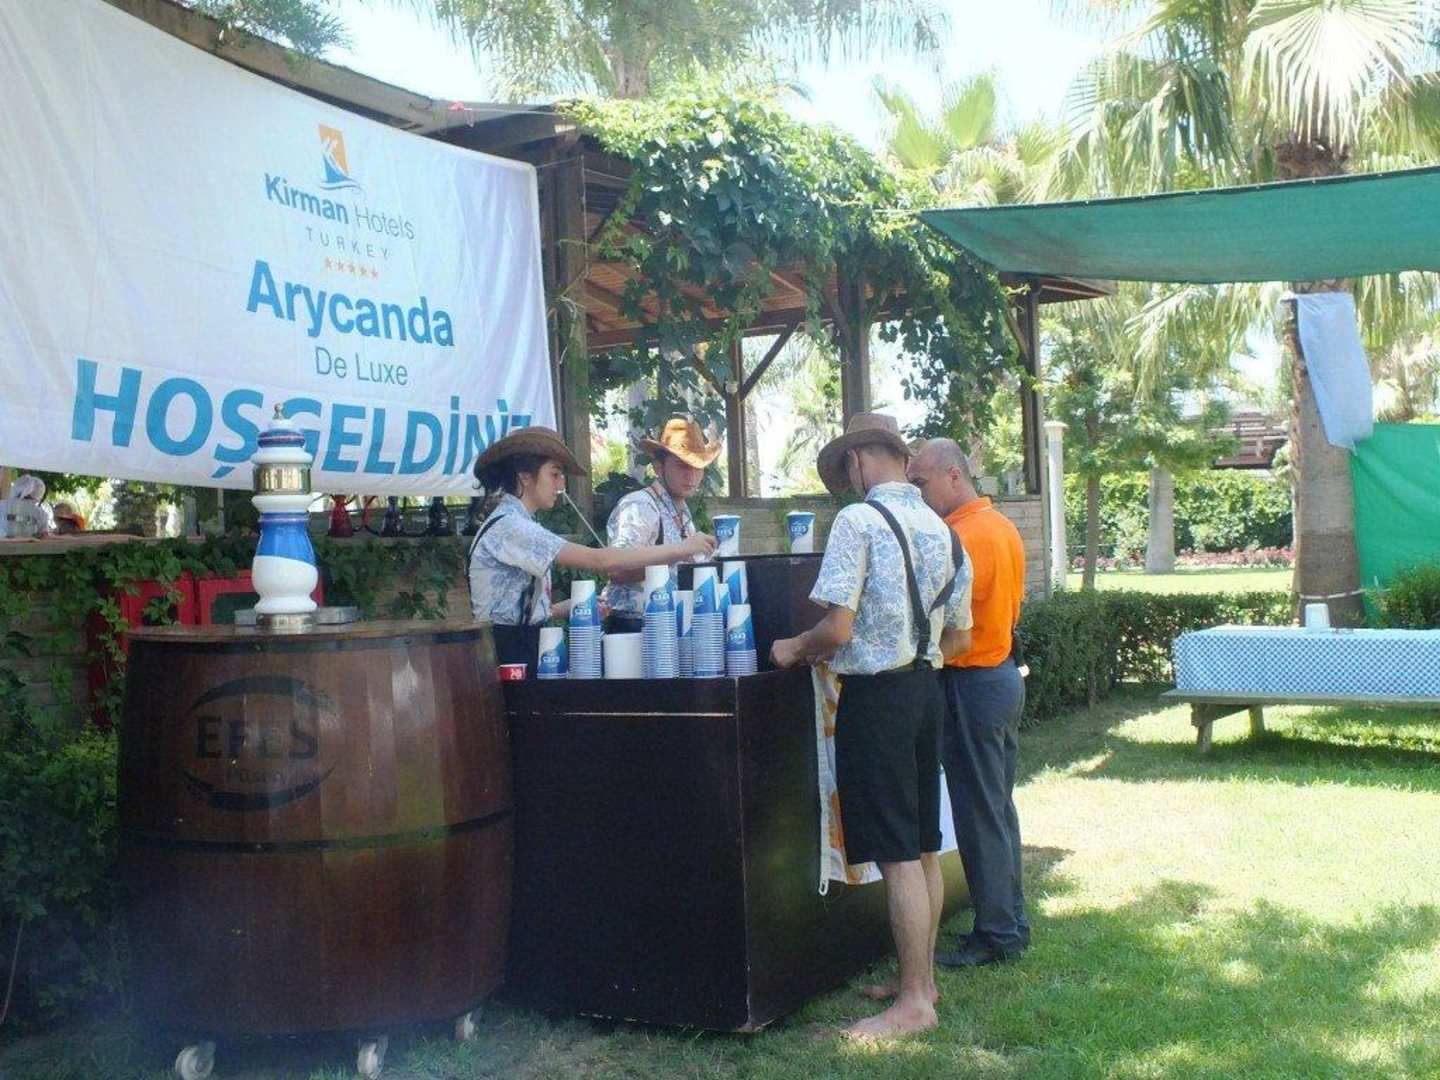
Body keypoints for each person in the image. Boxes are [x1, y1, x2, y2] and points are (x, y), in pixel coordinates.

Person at [770, 413, 972, 1038]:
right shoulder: (945, 531)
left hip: (878, 700)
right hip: (926, 691)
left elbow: (837, 628)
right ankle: (924, 980)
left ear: (858, 460)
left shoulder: (858, 521)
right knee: (923, 844)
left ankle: (913, 1005)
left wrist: (793, 647)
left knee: (897, 854)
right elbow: (961, 638)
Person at [907, 438, 1029, 968]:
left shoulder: (959, 537)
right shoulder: (1001, 527)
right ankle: (1010, 922)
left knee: (979, 814)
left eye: (921, 482)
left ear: (954, 475)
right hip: (1000, 678)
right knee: (997, 808)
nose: (917, 493)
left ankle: (996, 934)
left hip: (971, 682)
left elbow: (936, 618)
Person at [467, 426, 716, 667]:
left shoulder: (517, 522)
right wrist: (682, 549)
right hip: (503, 648)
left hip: (519, 644)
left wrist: (569, 606)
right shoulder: (511, 526)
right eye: (554, 474)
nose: (561, 485)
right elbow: (602, 561)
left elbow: (512, 605)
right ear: (525, 477)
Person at [600, 418, 722, 633]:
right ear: (659, 467)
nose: (691, 475)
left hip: (667, 625)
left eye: (698, 467)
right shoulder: (641, 504)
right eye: (682, 465)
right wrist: (680, 552)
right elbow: (618, 569)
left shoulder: (682, 512)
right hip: (632, 626)